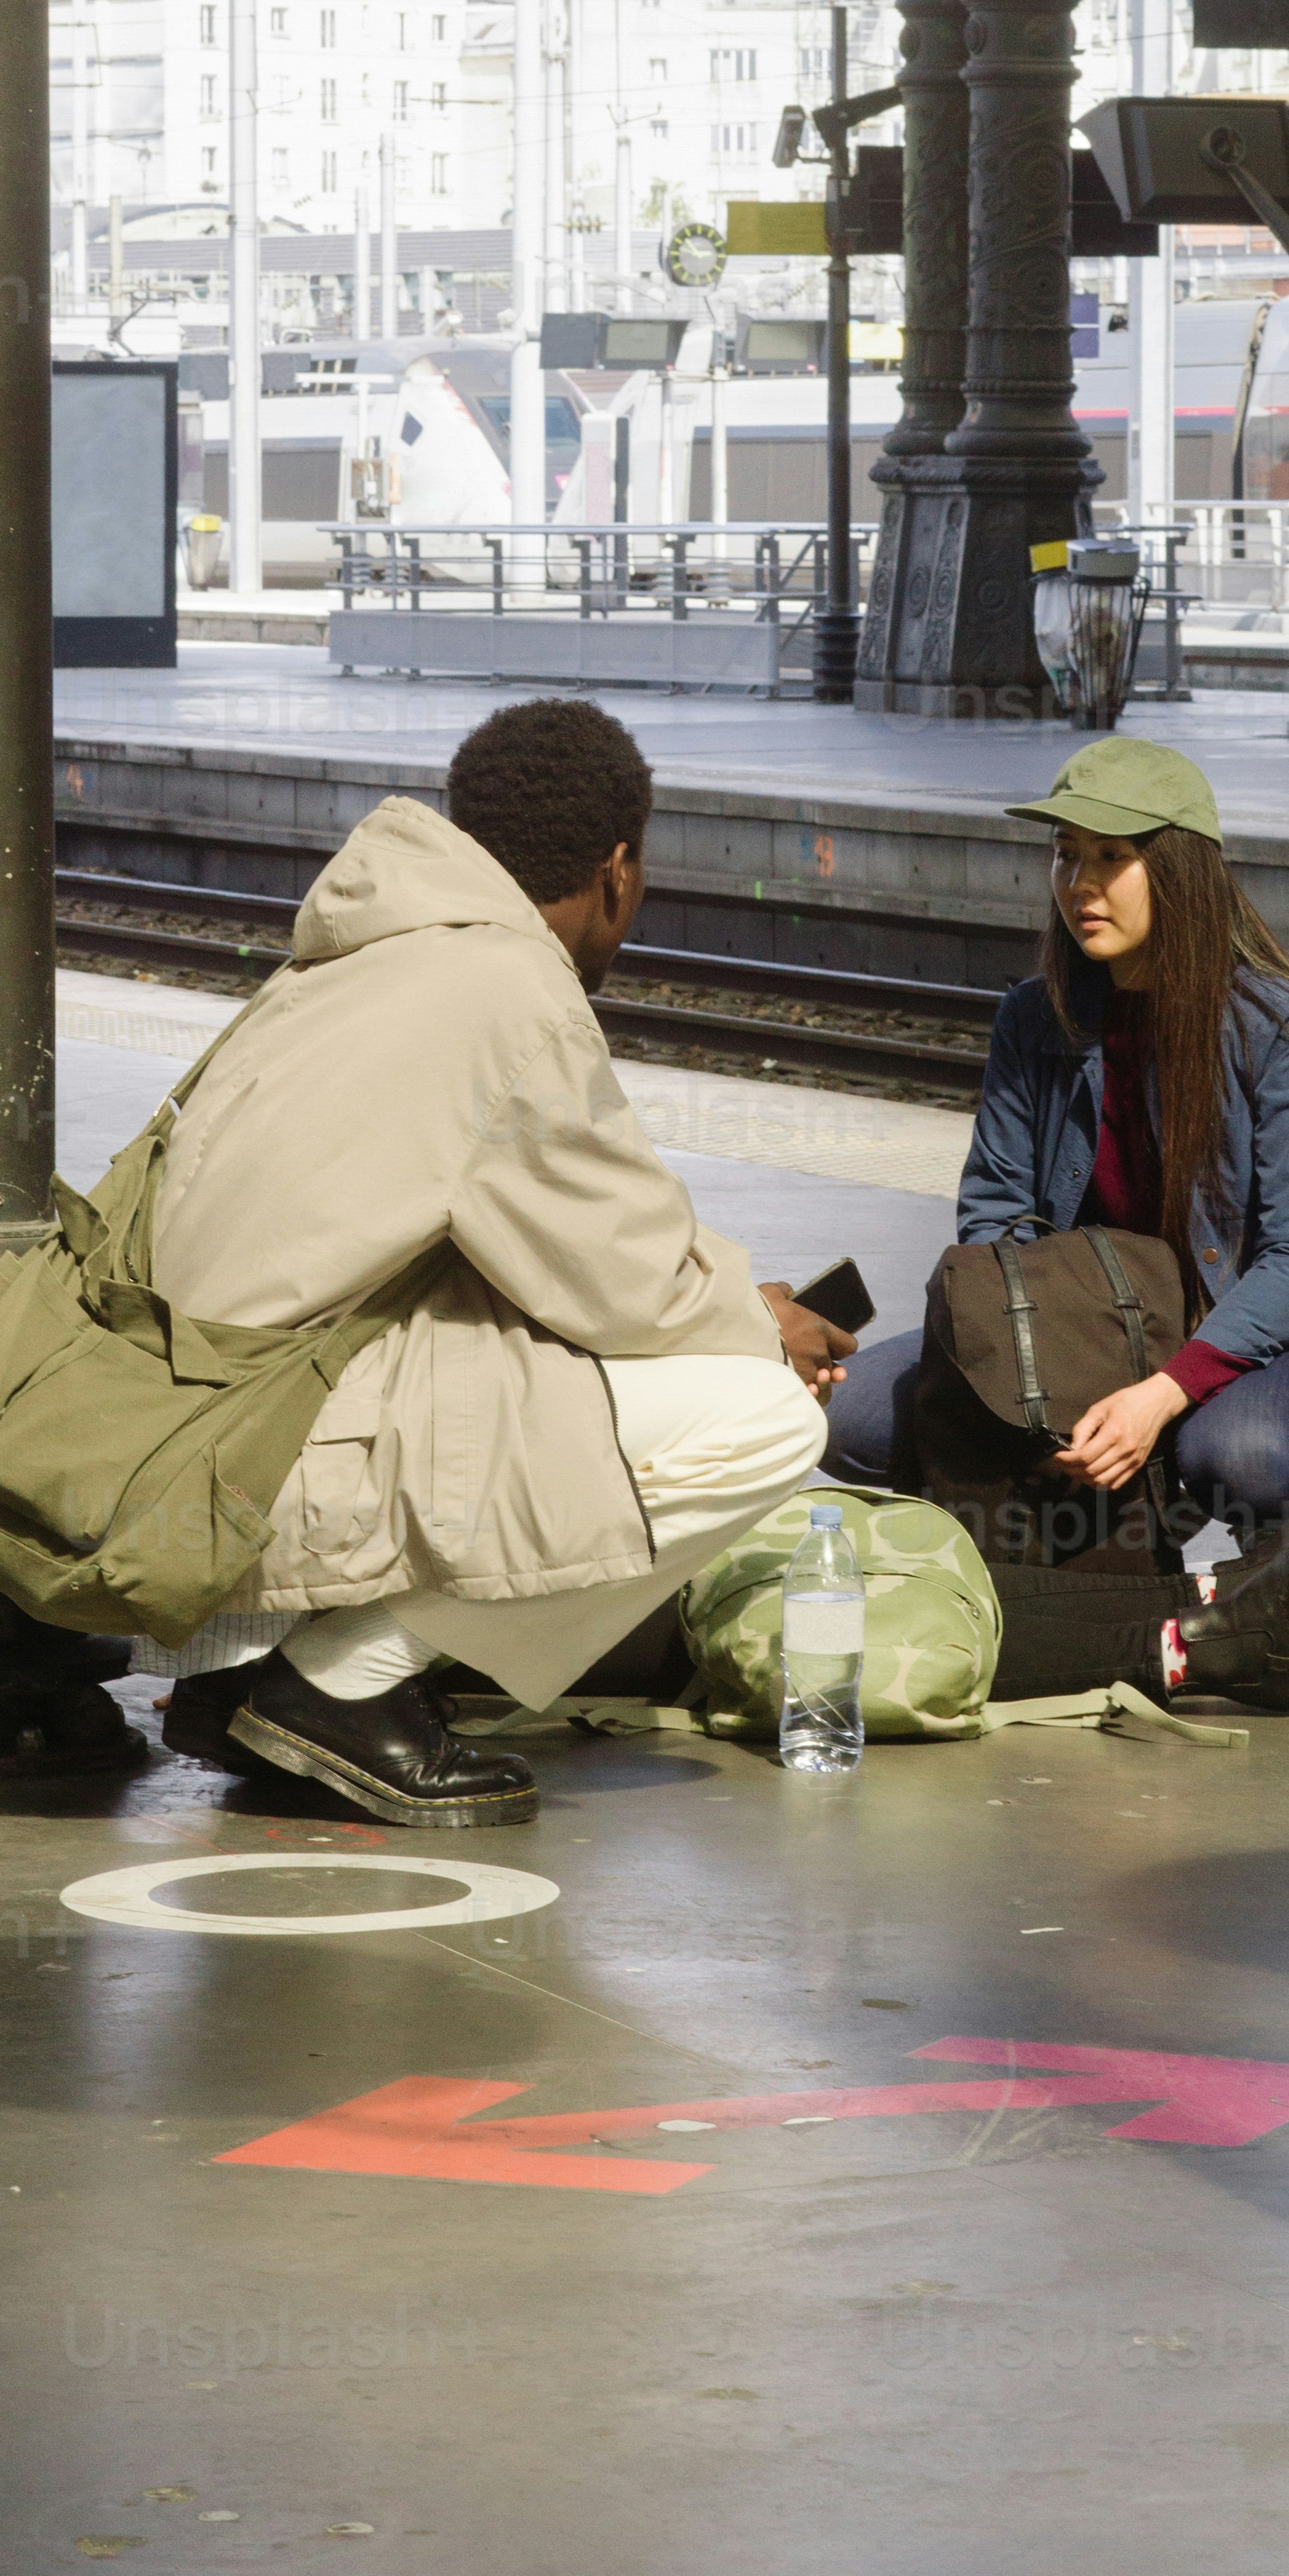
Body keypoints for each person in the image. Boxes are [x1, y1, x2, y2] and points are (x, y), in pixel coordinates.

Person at [118, 696, 840, 1828]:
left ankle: (246, 1678)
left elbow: (537, 1233)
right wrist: (763, 1328)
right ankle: (335, 1689)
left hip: (194, 1447)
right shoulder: (508, 987)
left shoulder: (359, 950)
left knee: (558, 1364)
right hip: (268, 1466)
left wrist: (728, 1297)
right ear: (616, 870)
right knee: (765, 1419)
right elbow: (626, 1281)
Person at [824, 730, 1289, 1718]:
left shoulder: (1279, 1024)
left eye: (1110, 857)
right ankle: (1063, 1577)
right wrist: (1032, 1383)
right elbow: (994, 1213)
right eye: (1065, 855)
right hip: (1085, 1324)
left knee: (1240, 1453)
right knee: (858, 1415)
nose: (1079, 883)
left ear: (1177, 870)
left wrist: (1157, 1396)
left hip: (1261, 1334)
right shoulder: (1032, 1019)